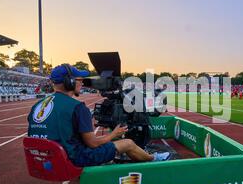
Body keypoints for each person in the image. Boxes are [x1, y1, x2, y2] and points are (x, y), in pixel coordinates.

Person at [27, 64, 170, 168]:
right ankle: (154, 159)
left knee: (105, 140)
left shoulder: (37, 106)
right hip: (73, 159)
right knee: (127, 143)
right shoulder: (77, 107)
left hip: (45, 160)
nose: (82, 82)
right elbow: (93, 144)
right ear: (69, 82)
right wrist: (114, 133)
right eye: (79, 79)